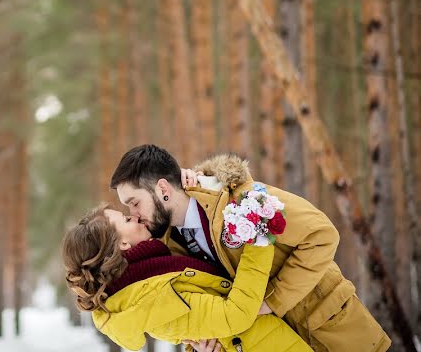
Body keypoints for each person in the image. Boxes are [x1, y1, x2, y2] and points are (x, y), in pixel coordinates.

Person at [110, 144, 390, 352]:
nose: (134, 215)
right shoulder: (170, 251)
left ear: (162, 189)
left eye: (134, 202)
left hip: (333, 332)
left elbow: (321, 234)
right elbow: (209, 315)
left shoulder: (238, 199)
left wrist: (273, 301)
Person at [62, 205, 312, 351]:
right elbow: (235, 314)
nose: (135, 216)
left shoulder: (151, 269)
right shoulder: (148, 298)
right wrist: (257, 238)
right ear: (123, 243)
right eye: (127, 219)